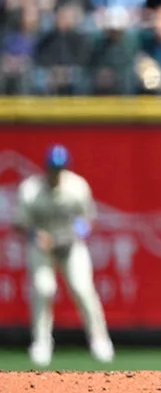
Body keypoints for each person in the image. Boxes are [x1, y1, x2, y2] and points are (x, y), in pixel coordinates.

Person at [15, 144, 114, 367]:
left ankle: (100, 340)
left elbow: (88, 220)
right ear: (46, 168)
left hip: (70, 245)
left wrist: (69, 236)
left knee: (82, 289)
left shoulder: (77, 187)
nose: (56, 172)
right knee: (43, 289)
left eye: (60, 168)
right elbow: (19, 222)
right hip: (42, 246)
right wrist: (35, 235)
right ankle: (41, 343)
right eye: (52, 168)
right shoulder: (31, 189)